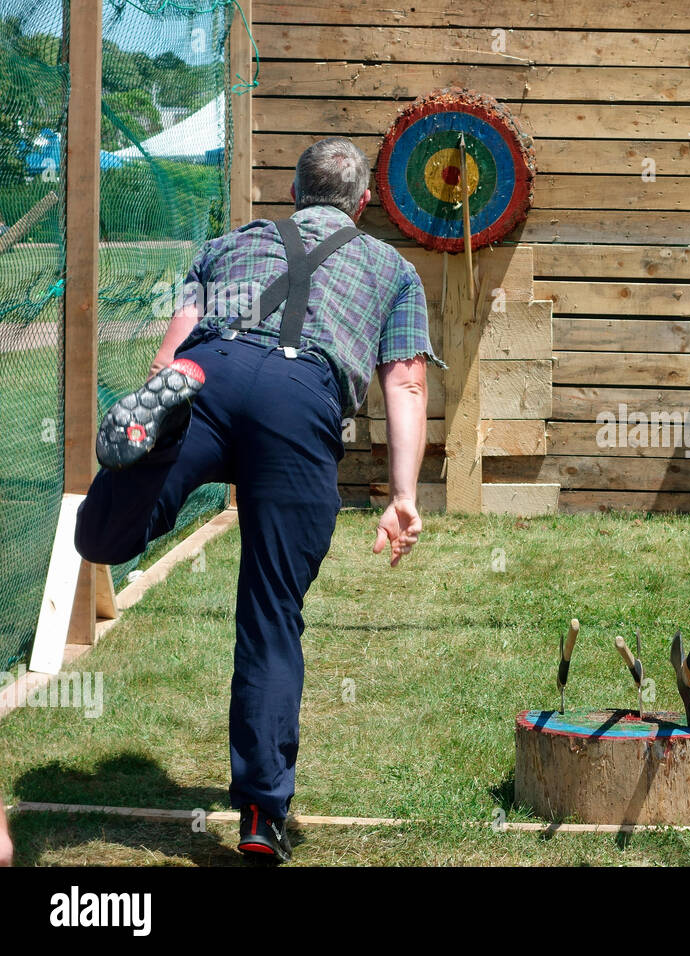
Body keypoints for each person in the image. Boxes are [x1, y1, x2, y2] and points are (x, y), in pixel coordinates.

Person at [74, 137, 442, 863]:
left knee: (104, 542)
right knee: (271, 612)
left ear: (294, 194)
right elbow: (405, 382)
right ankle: (260, 814)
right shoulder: (393, 269)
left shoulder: (232, 241)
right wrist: (403, 495)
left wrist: (174, 389)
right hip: (300, 398)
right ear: (364, 202)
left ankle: (143, 457)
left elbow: (168, 353)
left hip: (206, 371)